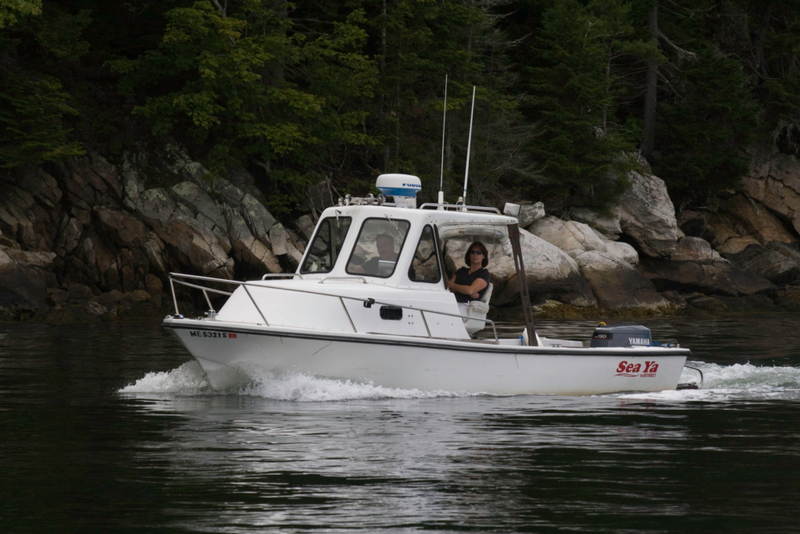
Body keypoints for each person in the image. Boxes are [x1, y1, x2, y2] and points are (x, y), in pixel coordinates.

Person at [448, 241, 490, 317]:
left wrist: (455, 286)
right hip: (451, 301)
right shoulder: (461, 270)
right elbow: (448, 287)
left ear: (483, 256)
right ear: (469, 255)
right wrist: (466, 290)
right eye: (472, 252)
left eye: (478, 252)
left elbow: (470, 290)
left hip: (467, 306)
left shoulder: (484, 273)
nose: (475, 254)